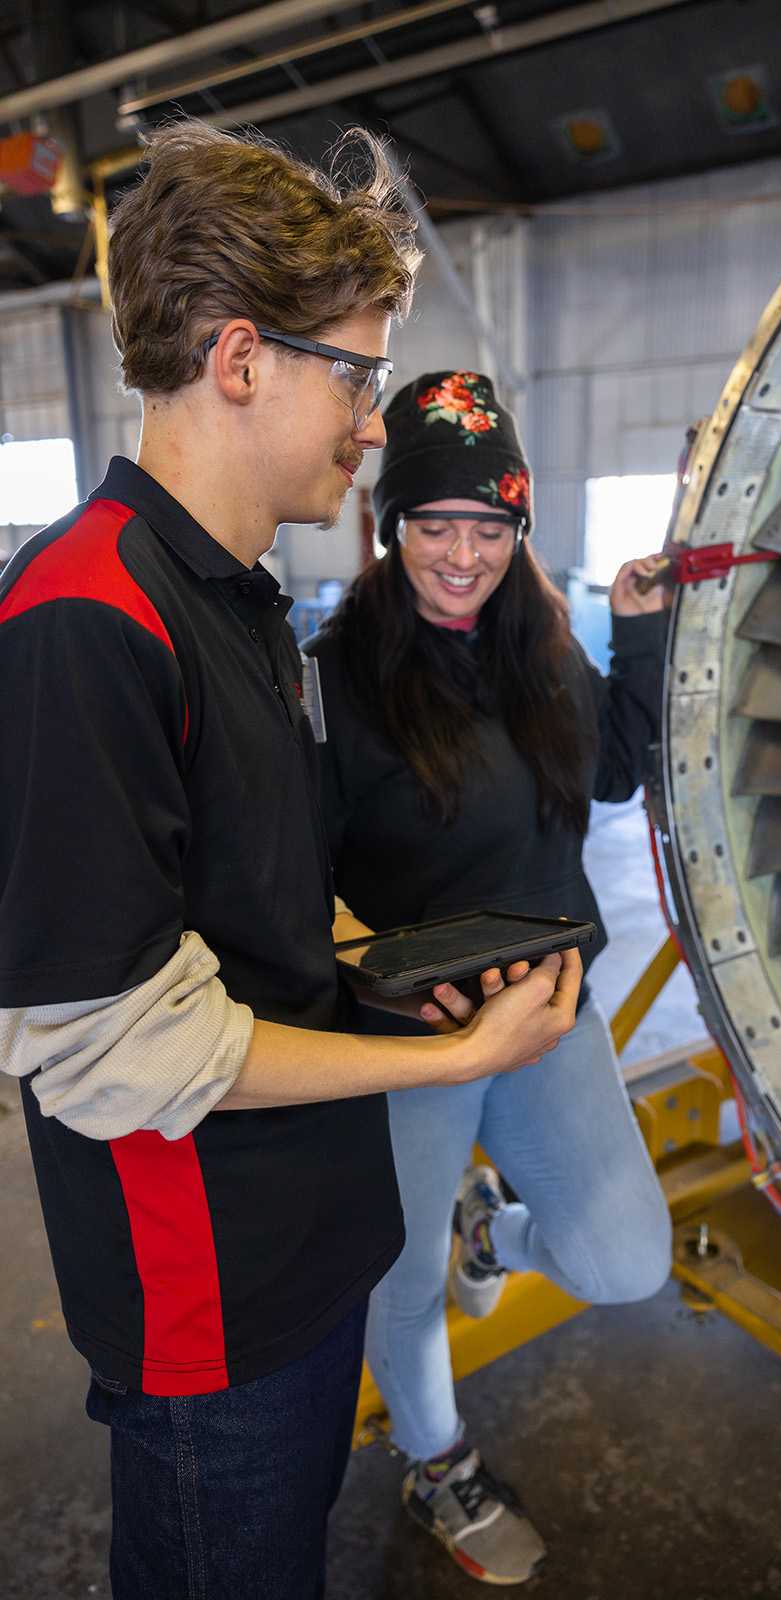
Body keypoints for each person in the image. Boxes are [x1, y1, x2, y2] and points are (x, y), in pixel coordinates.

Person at [0, 128, 581, 1600]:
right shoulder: (85, 617)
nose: (374, 425)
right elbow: (105, 1047)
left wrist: (385, 980)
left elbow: (246, 893)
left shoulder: (237, 602)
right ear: (244, 361)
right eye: (358, 375)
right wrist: (445, 1070)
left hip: (305, 1255)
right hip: (215, 1311)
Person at [305, 370, 674, 1586]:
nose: (460, 554)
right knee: (399, 1283)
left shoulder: (539, 650)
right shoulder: (336, 676)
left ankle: (492, 1227)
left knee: (625, 1260)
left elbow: (613, 778)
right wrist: (373, 976)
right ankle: (437, 1457)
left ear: (519, 533)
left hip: (548, 1016)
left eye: (487, 527)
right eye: (433, 525)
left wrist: (638, 630)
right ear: (389, 526)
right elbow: (295, 879)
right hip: (413, 1033)